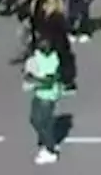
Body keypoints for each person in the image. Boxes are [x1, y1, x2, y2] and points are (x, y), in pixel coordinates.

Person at [23, 36, 62, 165]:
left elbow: (49, 82)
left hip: (48, 95)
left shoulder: (54, 60)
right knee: (34, 120)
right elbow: (30, 69)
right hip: (39, 94)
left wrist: (34, 80)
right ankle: (48, 143)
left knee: (43, 123)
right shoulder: (37, 55)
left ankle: (50, 150)